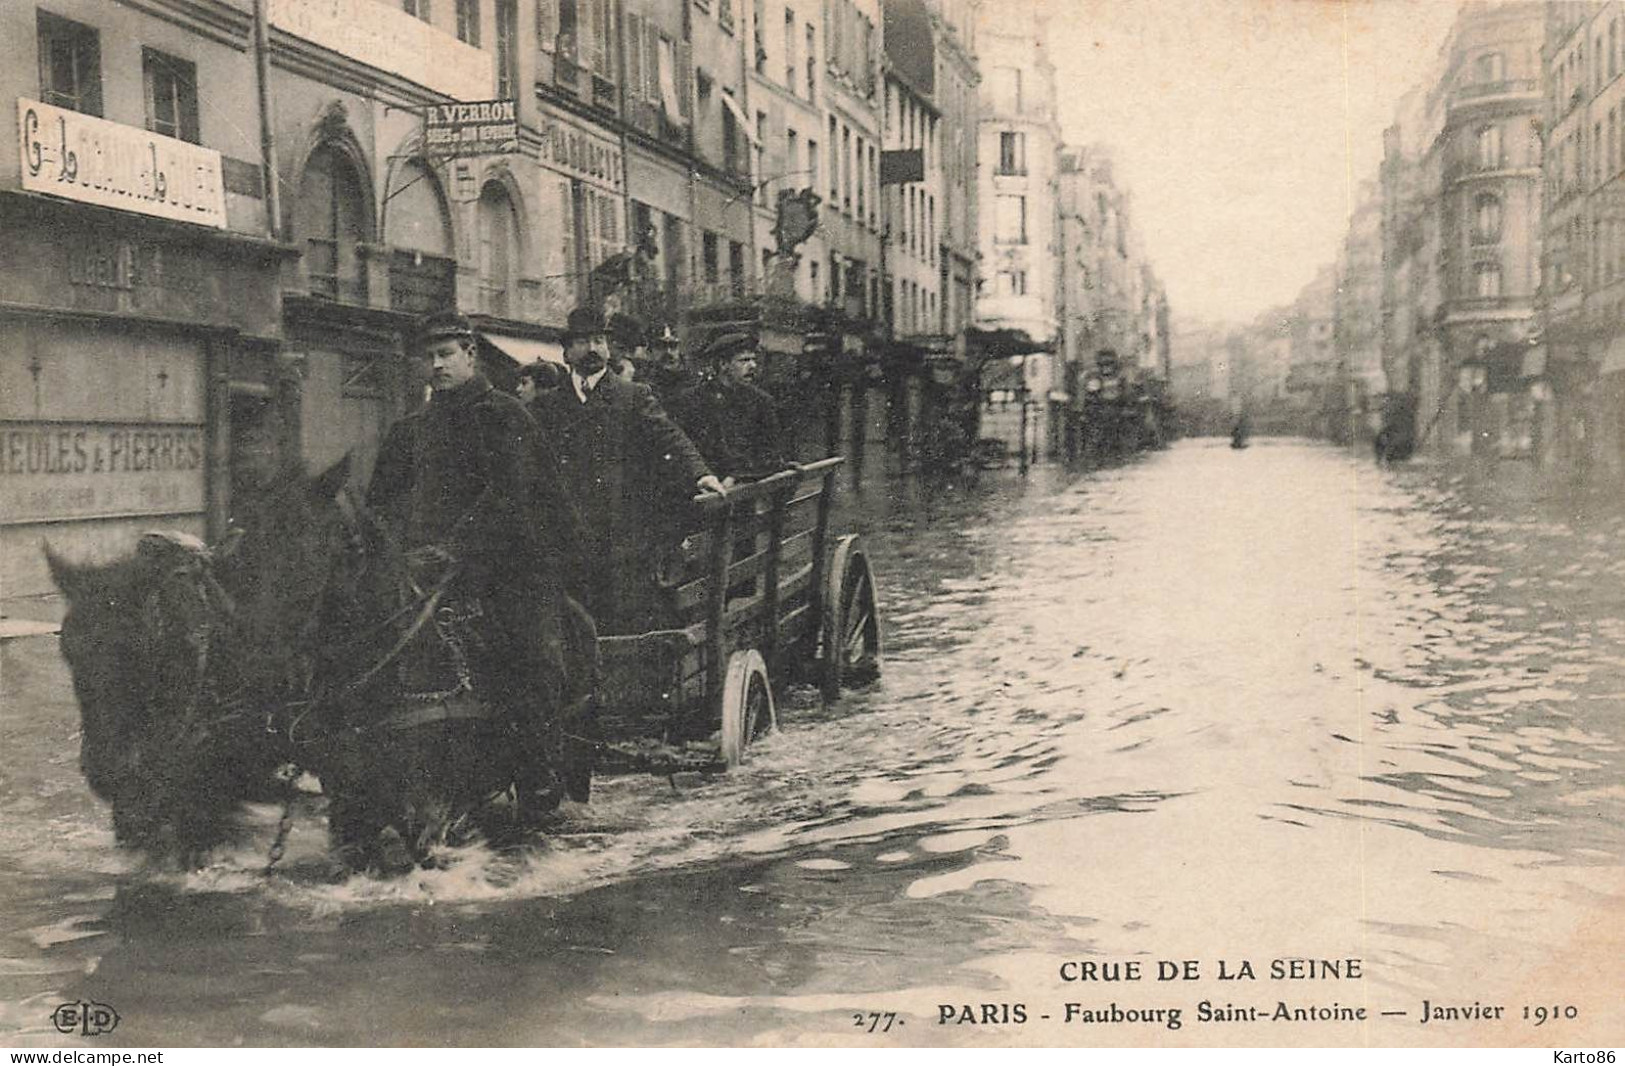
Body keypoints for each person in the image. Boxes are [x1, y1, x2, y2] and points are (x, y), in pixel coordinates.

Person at [365, 310, 574, 820]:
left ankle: (537, 772)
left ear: (471, 354)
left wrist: (460, 550)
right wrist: (394, 550)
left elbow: (516, 499)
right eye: (428, 357)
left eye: (445, 355)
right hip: (421, 576)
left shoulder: (505, 416)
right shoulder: (410, 431)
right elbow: (381, 505)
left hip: (507, 569)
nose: (435, 366)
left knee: (530, 655)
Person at [533, 305, 725, 634]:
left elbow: (670, 437)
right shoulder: (547, 406)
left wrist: (701, 474)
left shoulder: (632, 396)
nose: (592, 349)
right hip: (569, 539)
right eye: (582, 342)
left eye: (599, 341)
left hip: (620, 540)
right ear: (566, 353)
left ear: (608, 349)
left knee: (622, 623)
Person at [668, 331, 787, 484]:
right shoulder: (692, 400)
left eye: (753, 359)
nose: (753, 366)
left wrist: (739, 475)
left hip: (745, 487)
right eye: (743, 360)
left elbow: (771, 452)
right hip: (705, 487)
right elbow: (686, 449)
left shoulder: (761, 401)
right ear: (723, 364)